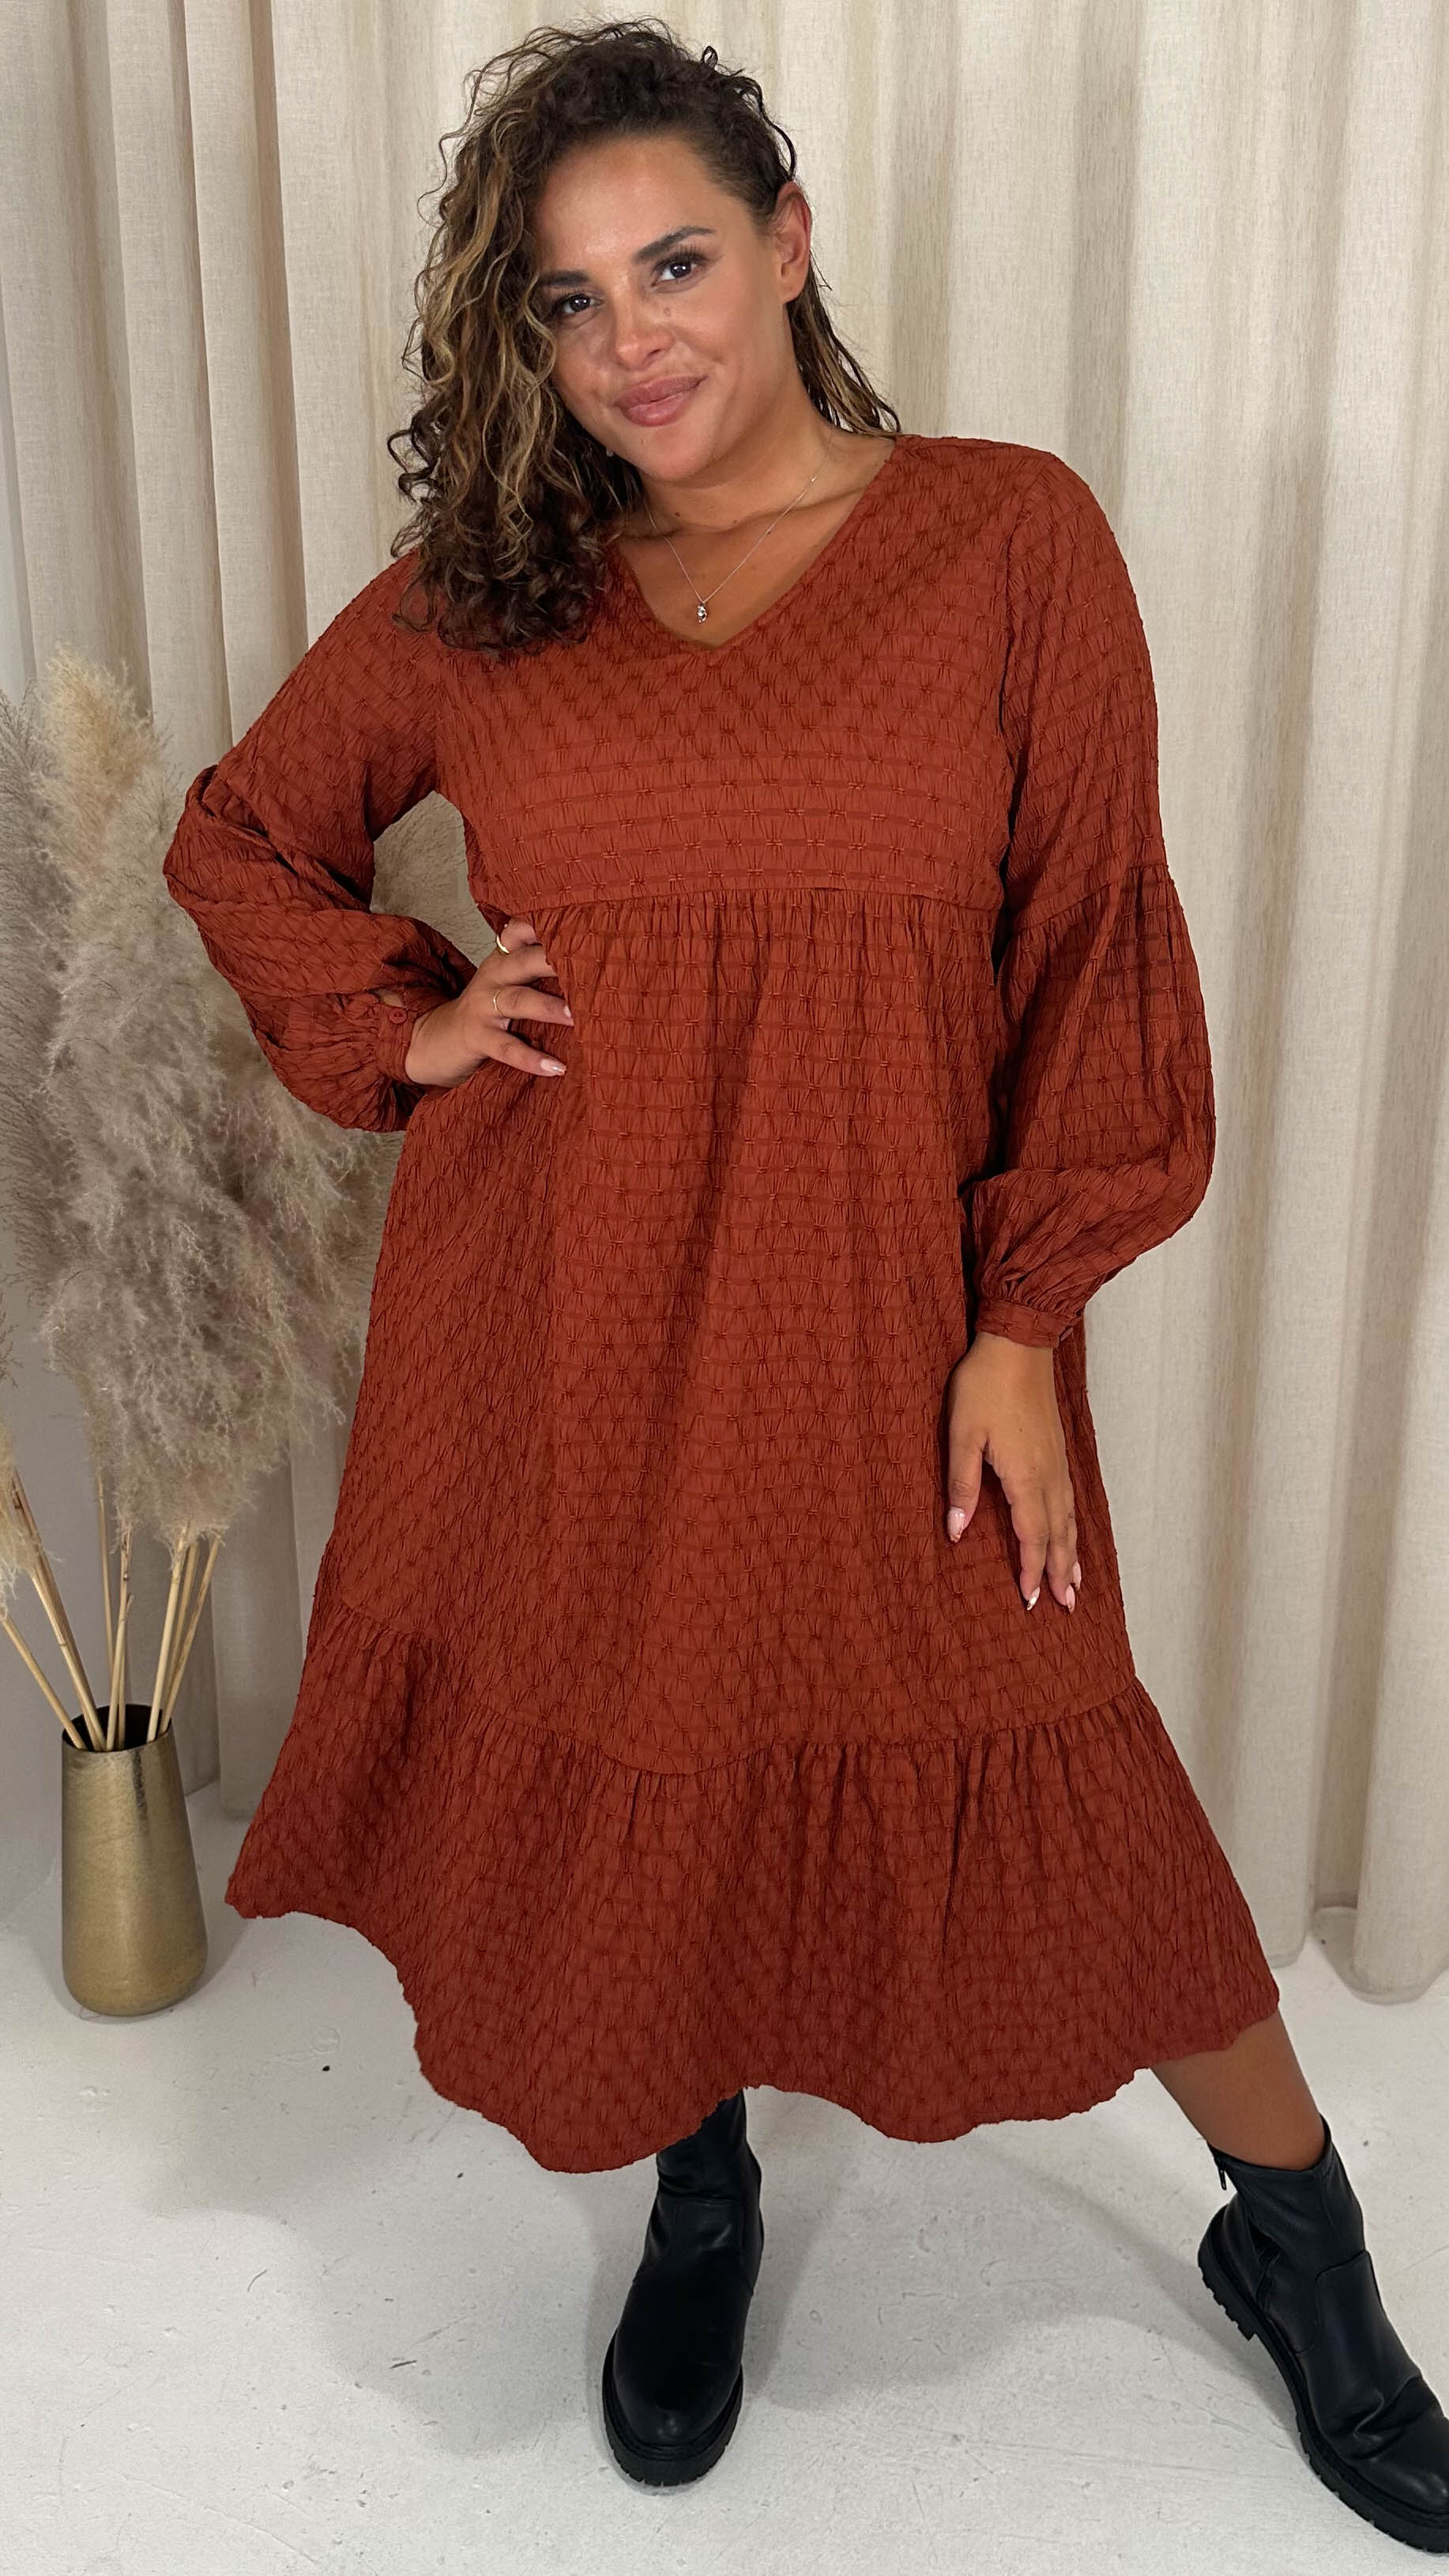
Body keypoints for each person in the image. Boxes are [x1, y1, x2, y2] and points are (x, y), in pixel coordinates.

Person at [161, 17, 1448, 2543]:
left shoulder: (1003, 542)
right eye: (566, 301)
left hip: (882, 1312)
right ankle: (701, 2192)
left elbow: (1091, 947)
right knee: (652, 1739)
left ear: (786, 244)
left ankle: (1299, 2243)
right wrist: (412, 1028)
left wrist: (1019, 1320)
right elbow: (241, 835)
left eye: (673, 264)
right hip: (561, 1313)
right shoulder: (490, 602)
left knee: (1059, 1765)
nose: (629, 340)